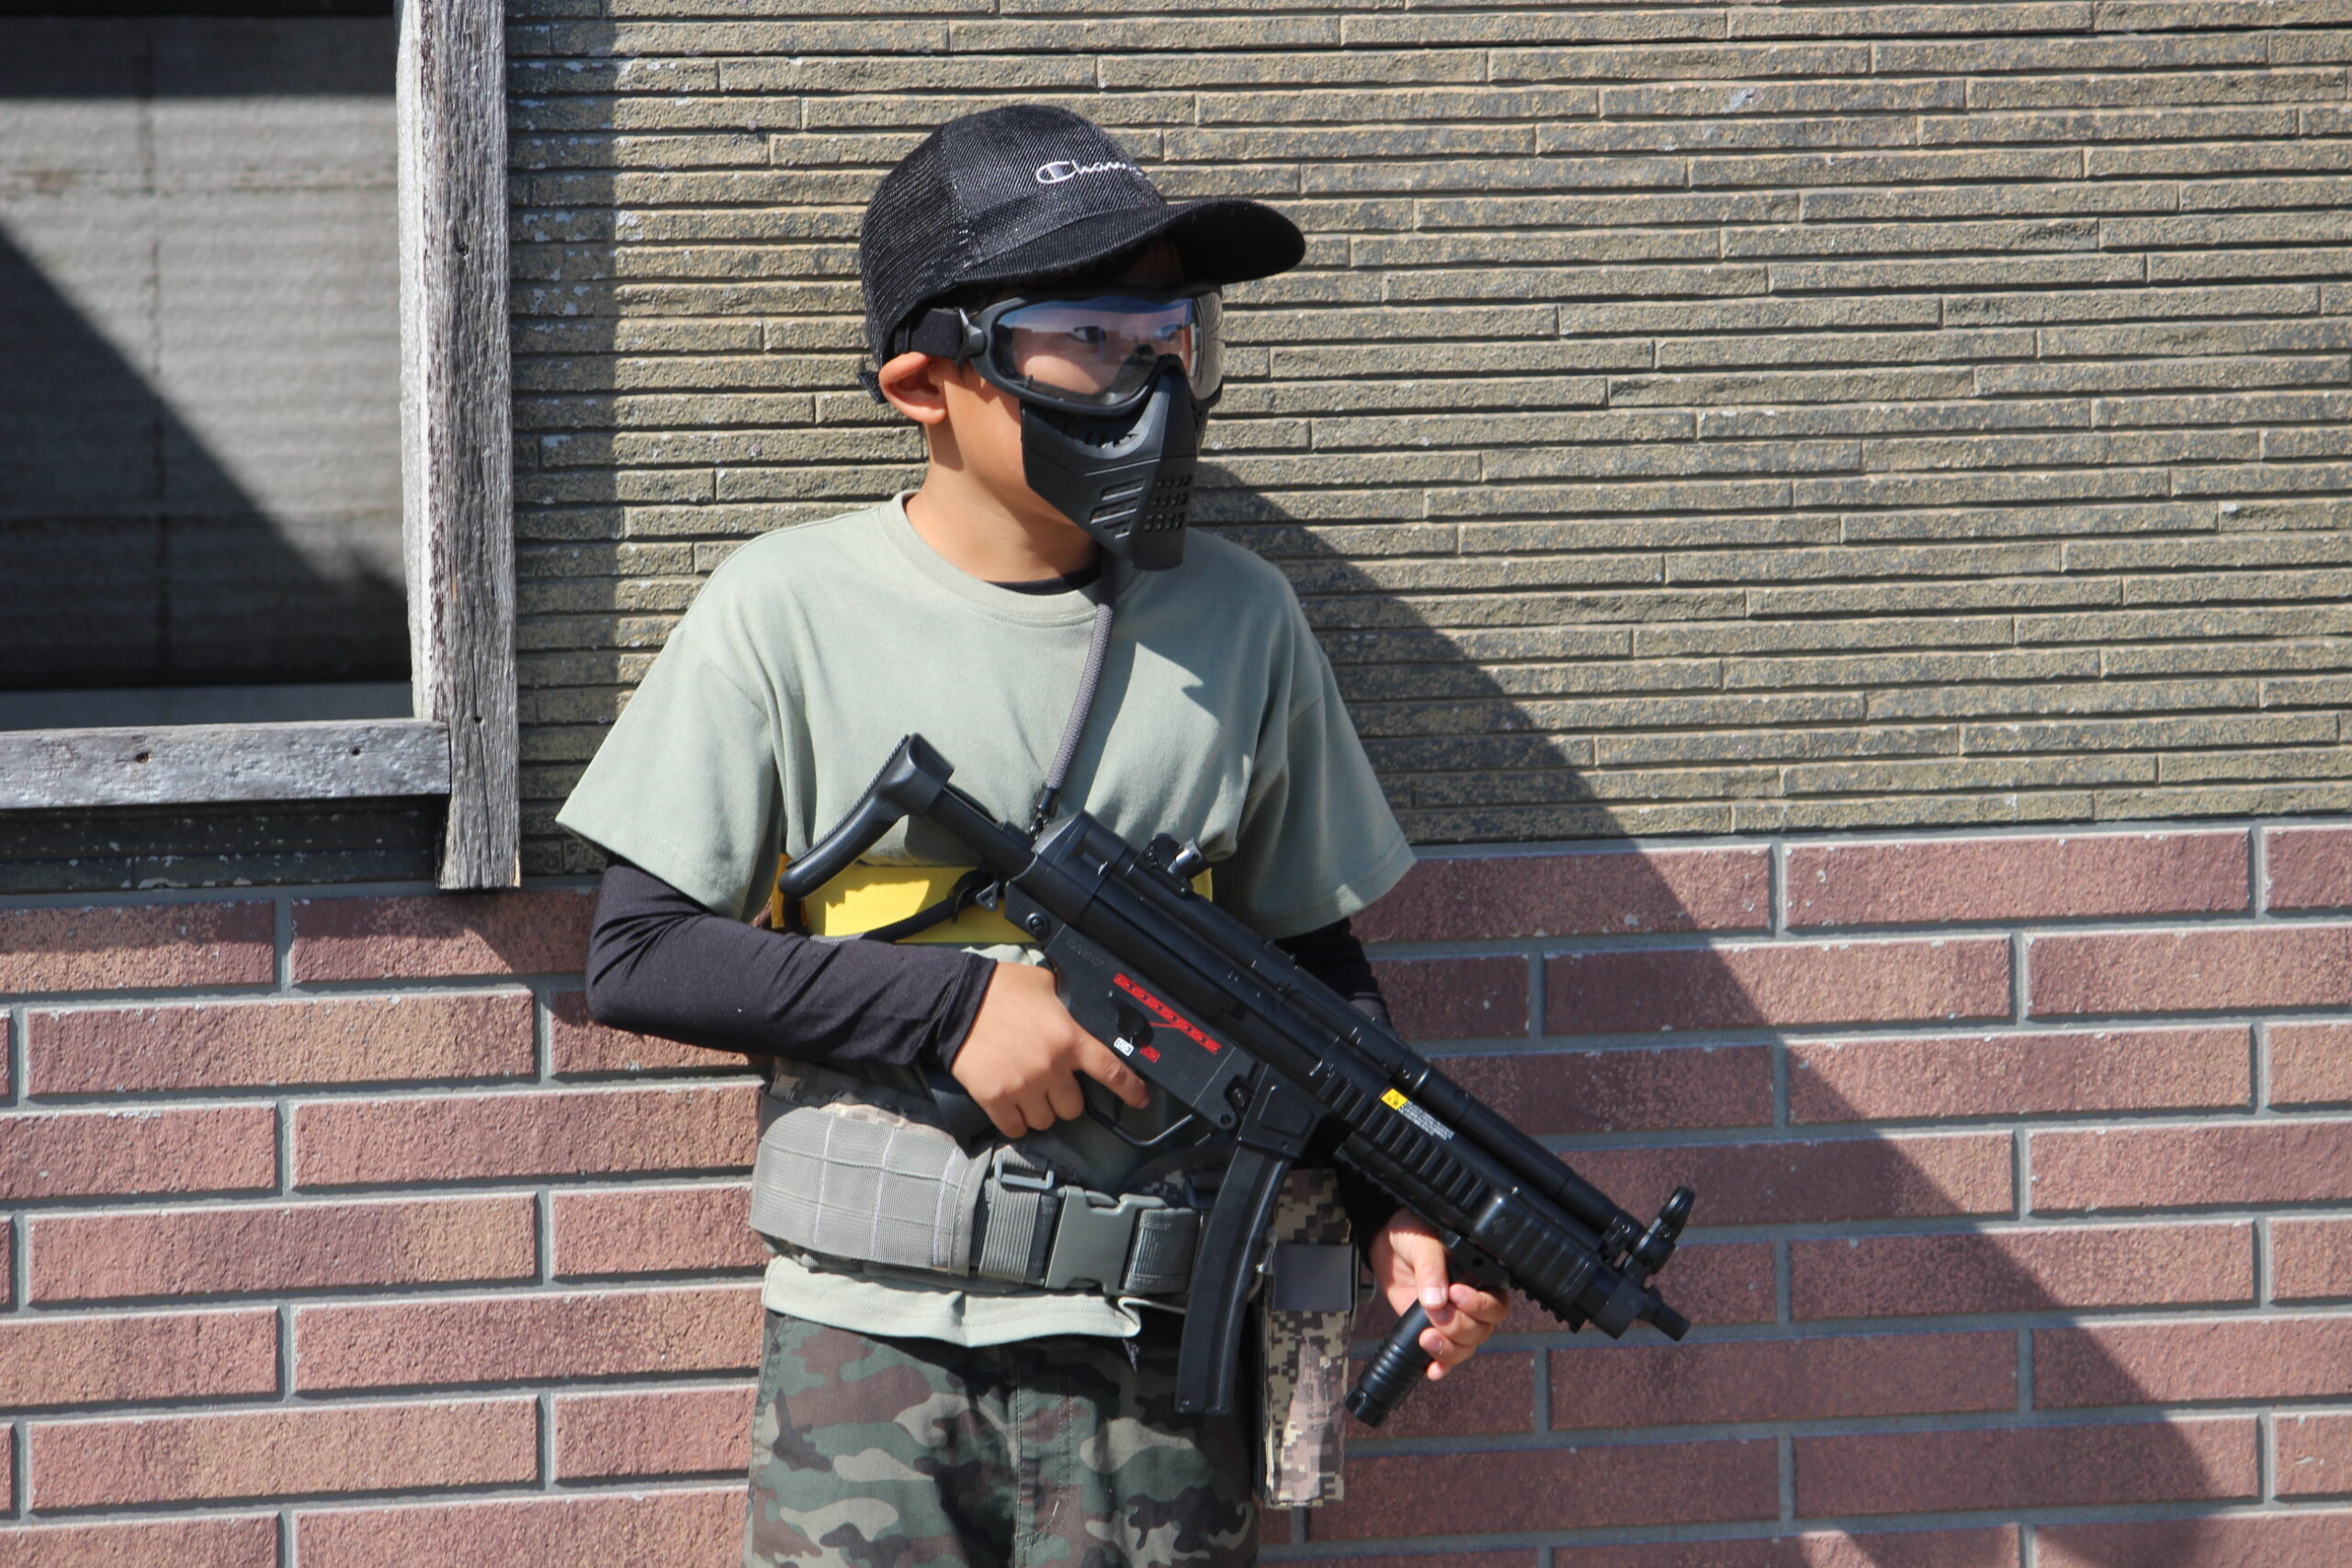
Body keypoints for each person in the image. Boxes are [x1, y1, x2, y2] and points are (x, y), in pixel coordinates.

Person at [557, 104, 1508, 1568]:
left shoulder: (1240, 619)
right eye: (1088, 337)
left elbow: (1310, 964)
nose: (1150, 382)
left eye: (1172, 335)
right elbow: (638, 954)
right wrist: (955, 1007)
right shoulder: (783, 610)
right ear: (926, 381)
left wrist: (1401, 1198)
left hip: (1159, 1358)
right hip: (872, 1353)